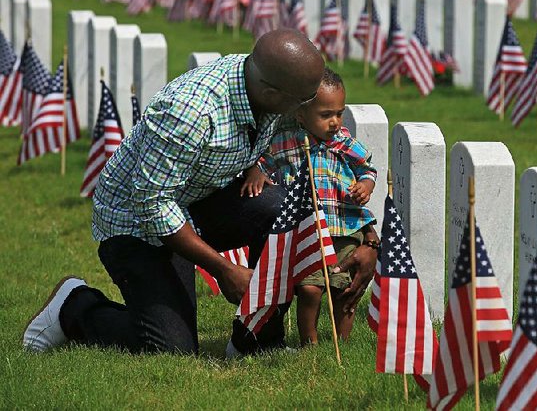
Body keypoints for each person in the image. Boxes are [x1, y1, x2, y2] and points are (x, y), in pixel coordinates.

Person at [22, 29, 379, 356]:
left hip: (197, 201)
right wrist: (224, 269)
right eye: (303, 100)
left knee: (281, 206)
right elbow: (152, 204)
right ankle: (75, 304)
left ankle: (254, 339)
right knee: (170, 347)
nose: (307, 107)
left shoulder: (274, 87)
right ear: (273, 94)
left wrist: (367, 238)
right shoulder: (192, 113)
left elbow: (331, 161)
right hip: (136, 223)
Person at [239, 68, 378, 347]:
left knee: (343, 291)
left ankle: (344, 343)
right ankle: (309, 344)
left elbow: (367, 169)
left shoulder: (344, 142)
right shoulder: (287, 142)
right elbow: (264, 160)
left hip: (345, 226)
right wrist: (256, 172)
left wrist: (365, 185)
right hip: (309, 231)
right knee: (310, 289)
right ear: (301, 115)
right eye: (326, 115)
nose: (334, 122)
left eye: (339, 113)